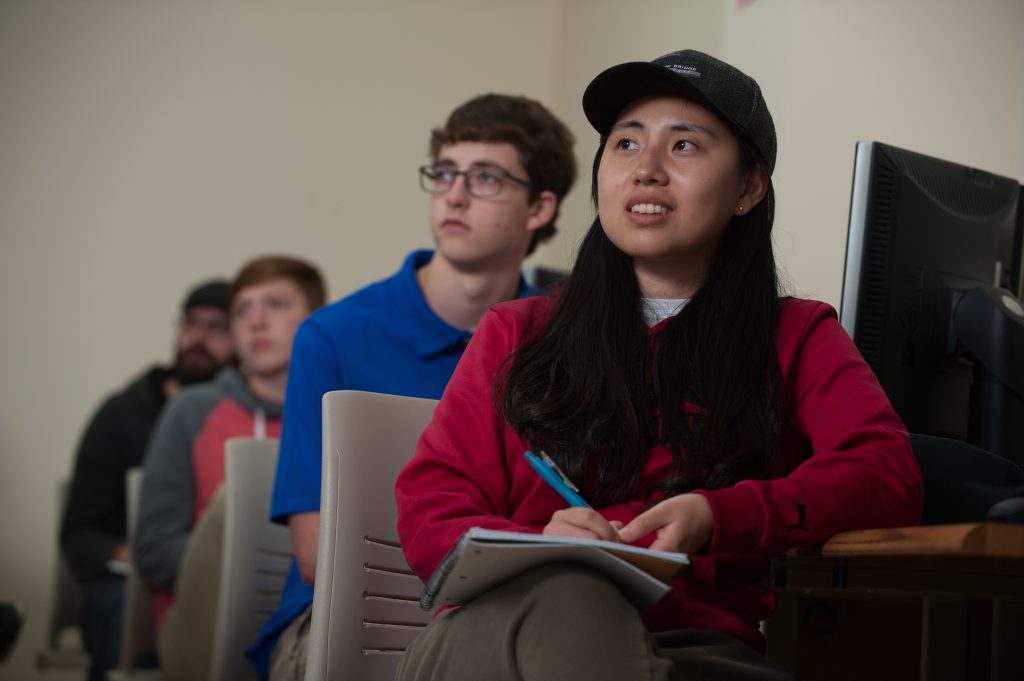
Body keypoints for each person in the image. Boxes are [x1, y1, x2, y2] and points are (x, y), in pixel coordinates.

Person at [393, 50, 925, 681]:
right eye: (624, 144)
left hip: (694, 648)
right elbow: (432, 503)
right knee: (574, 592)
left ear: (749, 188)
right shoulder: (517, 332)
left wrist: (720, 514)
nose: (645, 170)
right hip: (498, 639)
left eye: (686, 147)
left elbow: (886, 476)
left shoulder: (797, 334)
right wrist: (538, 548)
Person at [247, 93, 577, 681]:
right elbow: (315, 554)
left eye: (487, 178)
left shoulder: (569, 338)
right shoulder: (334, 335)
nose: (454, 194)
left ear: (539, 208)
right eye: (445, 173)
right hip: (345, 621)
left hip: (505, 616)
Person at [132, 255, 326, 678]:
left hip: (308, 617)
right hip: (205, 620)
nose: (255, 321)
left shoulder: (333, 417)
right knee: (231, 502)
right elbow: (153, 545)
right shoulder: (191, 410)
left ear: (316, 319)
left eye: (275, 305)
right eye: (242, 310)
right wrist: (242, 565)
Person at [60, 279, 234, 681]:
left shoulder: (249, 420)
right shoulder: (121, 414)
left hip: (220, 578)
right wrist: (135, 555)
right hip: (134, 578)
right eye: (191, 323)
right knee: (125, 609)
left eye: (216, 327)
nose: (198, 338)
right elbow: (79, 534)